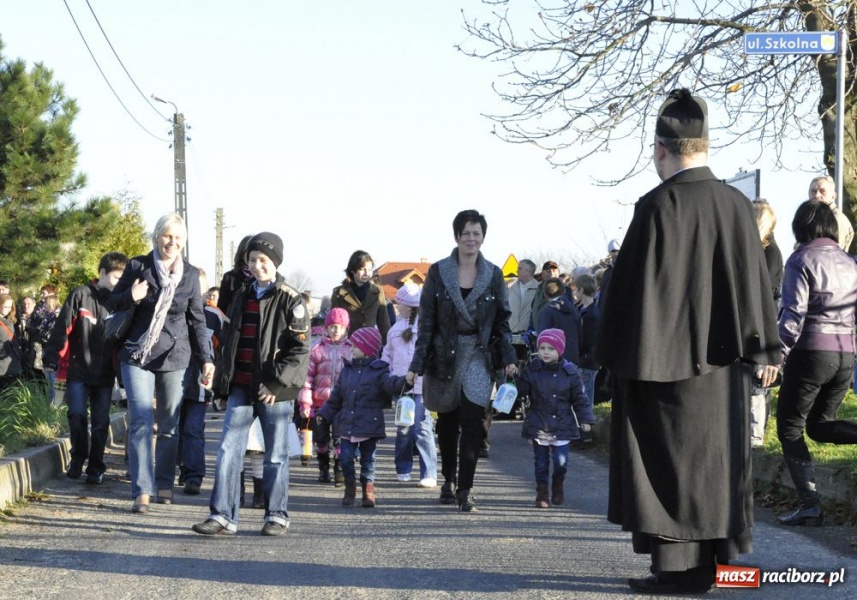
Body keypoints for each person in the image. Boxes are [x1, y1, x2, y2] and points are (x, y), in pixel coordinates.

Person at [598, 89, 780, 595]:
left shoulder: (656, 206)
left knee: (667, 468)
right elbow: (756, 286)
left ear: (661, 149)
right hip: (723, 374)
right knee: (713, 468)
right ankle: (708, 569)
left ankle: (679, 573)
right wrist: (764, 352)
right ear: (704, 146)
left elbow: (627, 294)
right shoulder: (737, 206)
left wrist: (612, 356)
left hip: (661, 368)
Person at [192, 232, 310, 536]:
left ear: (276, 262)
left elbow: (300, 350)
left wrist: (275, 384)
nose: (257, 266)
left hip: (274, 391)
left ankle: (276, 515)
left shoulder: (291, 298)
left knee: (275, 456)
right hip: (240, 387)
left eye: (264, 260)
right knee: (228, 451)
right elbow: (228, 343)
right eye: (253, 260)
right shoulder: (241, 294)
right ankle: (222, 516)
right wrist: (222, 386)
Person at [406, 209, 517, 512]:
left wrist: (508, 357)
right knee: (447, 423)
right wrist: (416, 365)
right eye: (465, 233)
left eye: (476, 233)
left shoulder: (493, 274)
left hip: (479, 353)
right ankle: (449, 479)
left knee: (472, 421)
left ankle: (466, 489)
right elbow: (427, 322)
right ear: (456, 236)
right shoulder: (438, 272)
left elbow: (502, 320)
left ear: (483, 237)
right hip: (444, 353)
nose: (471, 238)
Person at [110, 213, 215, 514]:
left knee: (169, 425)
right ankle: (142, 490)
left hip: (175, 355)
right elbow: (113, 302)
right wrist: (132, 295)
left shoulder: (190, 275)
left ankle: (164, 482)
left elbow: (197, 321)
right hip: (137, 354)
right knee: (141, 420)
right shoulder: (137, 266)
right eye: (168, 236)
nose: (172, 242)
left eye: (178, 238)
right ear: (157, 236)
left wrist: (206, 360)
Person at [776, 200, 857, 526]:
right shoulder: (850, 262)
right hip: (845, 354)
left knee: (789, 427)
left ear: (800, 227)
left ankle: (810, 505)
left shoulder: (800, 260)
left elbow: (793, 314)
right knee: (820, 426)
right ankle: (809, 504)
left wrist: (777, 354)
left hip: (810, 353)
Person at [42, 252, 128, 484]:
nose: (119, 283)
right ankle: (78, 456)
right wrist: (52, 357)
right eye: (116, 277)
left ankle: (96, 467)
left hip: (105, 374)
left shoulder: (120, 302)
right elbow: (63, 327)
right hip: (78, 370)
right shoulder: (81, 294)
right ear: (102, 273)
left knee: (100, 422)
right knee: (76, 414)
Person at [318, 327, 409, 508]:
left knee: (368, 461)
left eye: (355, 346)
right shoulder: (347, 370)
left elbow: (390, 384)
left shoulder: (379, 371)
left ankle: (368, 490)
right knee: (345, 458)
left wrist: (405, 382)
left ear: (367, 349)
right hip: (347, 424)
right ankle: (350, 488)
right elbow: (336, 397)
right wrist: (324, 414)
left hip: (369, 425)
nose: (351, 349)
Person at [517, 329, 594, 508]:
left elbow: (580, 399)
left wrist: (586, 420)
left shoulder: (570, 372)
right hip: (539, 423)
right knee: (541, 463)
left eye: (551, 349)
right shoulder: (532, 370)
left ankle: (558, 484)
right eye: (542, 348)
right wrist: (514, 377)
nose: (546, 352)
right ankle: (542, 493)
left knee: (561, 462)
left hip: (562, 425)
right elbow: (520, 391)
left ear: (559, 350)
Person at [383, 283, 438, 488]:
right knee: (407, 428)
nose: (397, 307)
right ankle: (406, 468)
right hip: (403, 387)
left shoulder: (426, 328)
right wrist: (387, 375)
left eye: (399, 303)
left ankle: (426, 472)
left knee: (419, 428)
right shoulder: (395, 330)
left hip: (420, 387)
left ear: (407, 306)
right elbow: (388, 355)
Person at [177, 268, 224, 495]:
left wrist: (220, 382)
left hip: (200, 382)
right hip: (173, 378)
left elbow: (223, 349)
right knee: (175, 429)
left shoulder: (214, 315)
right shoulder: (175, 309)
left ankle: (193, 476)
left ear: (205, 289)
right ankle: (181, 468)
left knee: (193, 429)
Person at [298, 307, 353, 484]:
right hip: (320, 404)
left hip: (341, 404)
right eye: (333, 326)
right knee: (321, 439)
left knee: (339, 438)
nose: (336, 330)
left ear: (346, 329)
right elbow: (308, 378)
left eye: (340, 327)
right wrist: (305, 404)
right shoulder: (317, 349)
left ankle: (339, 469)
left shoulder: (350, 350)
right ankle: (323, 467)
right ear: (326, 327)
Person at [750, 199, 784, 447]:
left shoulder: (770, 252)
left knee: (758, 382)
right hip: (755, 323)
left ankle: (756, 436)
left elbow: (766, 292)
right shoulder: (755, 249)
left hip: (762, 324)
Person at [331, 250, 391, 344]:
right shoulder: (339, 293)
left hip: (369, 344)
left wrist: (388, 345)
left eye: (369, 270)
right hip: (347, 344)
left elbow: (384, 323)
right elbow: (333, 321)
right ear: (353, 270)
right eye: (362, 269)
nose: (366, 273)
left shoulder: (378, 291)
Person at [537, 277, 581, 366]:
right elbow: (579, 335)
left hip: (554, 361)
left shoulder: (547, 311)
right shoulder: (574, 310)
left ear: (545, 294)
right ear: (563, 291)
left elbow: (543, 338)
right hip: (572, 358)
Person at [574, 273, 600, 410]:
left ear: (581, 290)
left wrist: (582, 355)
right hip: (582, 360)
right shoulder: (580, 310)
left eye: (576, 288)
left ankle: (587, 422)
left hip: (587, 361)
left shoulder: (592, 314)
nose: (574, 292)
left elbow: (590, 341)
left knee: (585, 397)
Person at [808, 175, 854, 252]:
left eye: (823, 191)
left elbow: (833, 253)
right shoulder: (811, 218)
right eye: (813, 191)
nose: (817, 195)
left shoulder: (836, 220)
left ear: (833, 196)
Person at [508, 259, 538, 360]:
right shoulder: (510, 289)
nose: (517, 271)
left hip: (529, 340)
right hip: (511, 339)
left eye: (520, 269)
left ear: (529, 271)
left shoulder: (539, 290)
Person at [528, 260, 559, 332]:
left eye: (554, 271)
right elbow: (533, 311)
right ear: (542, 273)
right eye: (548, 271)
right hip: (538, 334)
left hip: (554, 335)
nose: (551, 273)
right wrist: (530, 329)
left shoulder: (564, 290)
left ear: (558, 272)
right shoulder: (538, 290)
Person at [0, 293, 22, 390]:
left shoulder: (9, 320)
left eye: (10, 307)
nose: (8, 309)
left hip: (12, 362)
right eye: (5, 306)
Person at [15, 296, 36, 378]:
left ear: (34, 304)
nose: (26, 306)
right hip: (20, 350)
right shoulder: (17, 318)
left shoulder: (39, 318)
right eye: (24, 304)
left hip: (34, 352)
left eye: (28, 304)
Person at [597, 239, 620, 310]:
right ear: (609, 253)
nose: (616, 254)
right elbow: (603, 297)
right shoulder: (607, 273)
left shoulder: (630, 269)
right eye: (613, 251)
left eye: (618, 251)